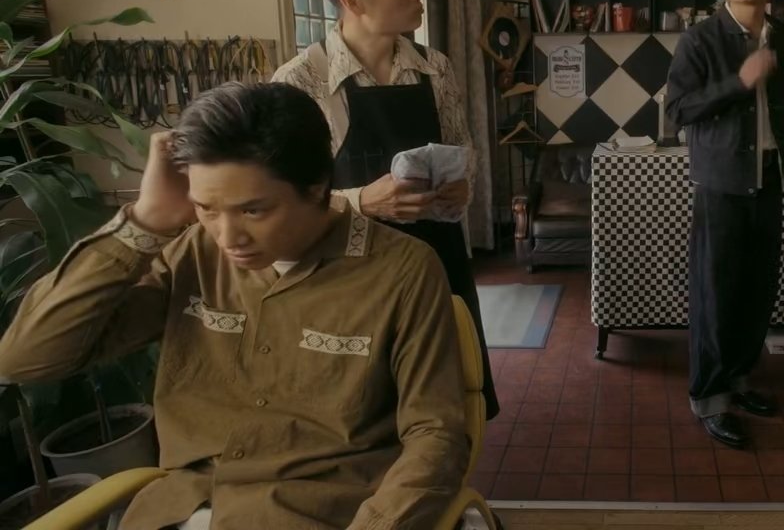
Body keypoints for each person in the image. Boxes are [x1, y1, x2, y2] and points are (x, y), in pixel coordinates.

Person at [0, 82, 469, 529]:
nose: (227, 237)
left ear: (316, 186)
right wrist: (145, 222)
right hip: (181, 508)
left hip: (318, 513)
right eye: (206, 209)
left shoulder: (401, 271)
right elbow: (26, 358)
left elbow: (436, 435)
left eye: (252, 210)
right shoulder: (191, 253)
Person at [272, 0, 499, 419]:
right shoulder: (300, 83)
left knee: (449, 399)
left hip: (436, 259)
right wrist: (360, 202)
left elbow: (462, 148)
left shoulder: (434, 67)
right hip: (347, 273)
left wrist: (461, 185)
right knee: (364, 410)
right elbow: (277, 203)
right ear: (353, 0)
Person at [665, 0, 784, 448]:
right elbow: (679, 109)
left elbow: (783, 103)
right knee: (715, 295)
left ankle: (740, 380)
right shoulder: (700, 39)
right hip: (720, 183)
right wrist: (739, 81)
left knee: (758, 291)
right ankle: (710, 397)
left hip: (770, 178)